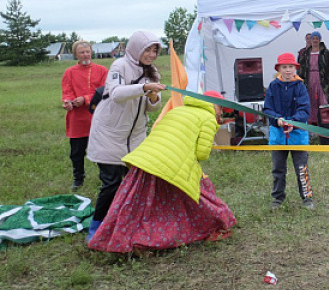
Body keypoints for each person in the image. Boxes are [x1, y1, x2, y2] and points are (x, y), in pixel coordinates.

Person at [87, 91, 237, 252]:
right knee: (200, 194)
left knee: (139, 205)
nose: (221, 112)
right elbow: (202, 154)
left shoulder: (177, 110)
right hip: (171, 163)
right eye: (221, 108)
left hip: (146, 160)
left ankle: (121, 237)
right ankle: (217, 222)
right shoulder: (208, 118)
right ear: (213, 104)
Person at [86, 31, 166, 242]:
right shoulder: (119, 66)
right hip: (109, 134)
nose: (151, 55)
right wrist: (143, 87)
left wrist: (153, 97)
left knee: (133, 183)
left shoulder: (152, 72)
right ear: (136, 48)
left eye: (154, 51)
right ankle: (96, 227)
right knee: (111, 183)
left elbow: (152, 107)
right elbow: (116, 94)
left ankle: (124, 223)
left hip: (135, 137)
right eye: (147, 50)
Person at [264, 53, 314, 210]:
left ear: (295, 69)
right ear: (278, 69)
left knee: (301, 169)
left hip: (298, 136)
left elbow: (304, 109)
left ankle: (307, 198)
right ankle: (277, 198)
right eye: (284, 67)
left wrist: (293, 121)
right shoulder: (273, 86)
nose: (287, 70)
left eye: (291, 67)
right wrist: (276, 119)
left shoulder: (300, 87)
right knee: (278, 169)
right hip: (278, 137)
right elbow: (268, 109)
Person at [61, 40, 108, 191]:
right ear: (76, 54)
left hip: (97, 117)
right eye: (82, 52)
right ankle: (78, 179)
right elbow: (66, 91)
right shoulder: (69, 72)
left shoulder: (102, 70)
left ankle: (106, 179)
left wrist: (85, 99)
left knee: (102, 151)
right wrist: (68, 101)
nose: (85, 54)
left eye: (87, 51)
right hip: (77, 119)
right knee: (77, 152)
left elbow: (105, 91)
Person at [297, 31, 329, 124]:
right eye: (313, 38)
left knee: (324, 100)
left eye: (317, 38)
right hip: (309, 79)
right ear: (311, 40)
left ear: (320, 40)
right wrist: (299, 79)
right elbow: (301, 67)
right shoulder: (306, 53)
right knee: (311, 100)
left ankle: (326, 121)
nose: (315, 40)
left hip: (323, 80)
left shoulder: (325, 53)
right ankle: (312, 122)